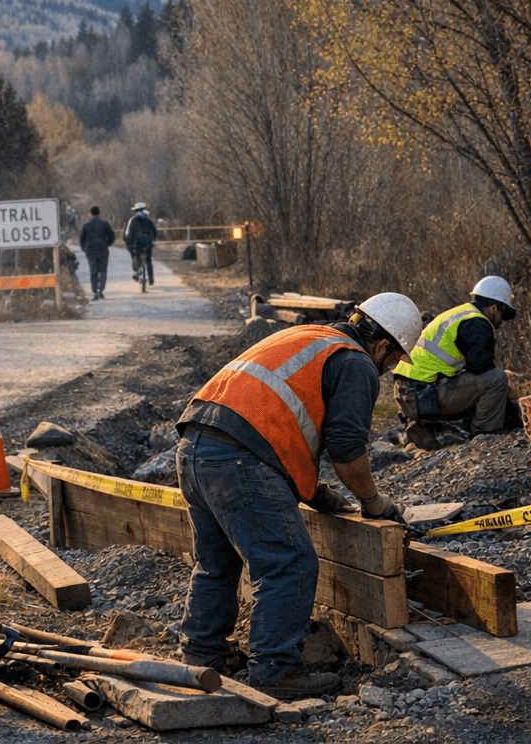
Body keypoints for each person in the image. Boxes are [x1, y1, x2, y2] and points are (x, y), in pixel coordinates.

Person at [175, 292, 423, 698]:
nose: (390, 367)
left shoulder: (309, 336)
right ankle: (276, 670)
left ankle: (203, 656)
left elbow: (271, 419)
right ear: (382, 346)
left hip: (194, 446)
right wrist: (373, 503)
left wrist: (316, 492)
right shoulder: (356, 362)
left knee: (216, 562)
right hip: (239, 459)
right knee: (289, 562)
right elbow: (346, 449)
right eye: (394, 360)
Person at [392, 276, 521, 450]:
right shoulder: (478, 323)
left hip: (405, 393)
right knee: (497, 378)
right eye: (502, 315)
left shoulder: (458, 314)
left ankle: (421, 429)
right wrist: (513, 411)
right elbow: (483, 372)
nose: (500, 321)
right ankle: (484, 434)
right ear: (494, 308)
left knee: (487, 382)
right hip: (421, 394)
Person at [78, 205, 115, 299]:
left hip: (90, 251)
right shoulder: (105, 223)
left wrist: (84, 249)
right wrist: (107, 244)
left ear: (90, 213)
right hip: (102, 249)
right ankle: (101, 290)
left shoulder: (86, 225)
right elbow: (112, 236)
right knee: (102, 270)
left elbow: (82, 239)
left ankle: (94, 291)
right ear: (99, 213)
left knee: (93, 271)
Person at [124, 202, 157, 286]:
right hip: (148, 243)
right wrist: (152, 240)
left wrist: (129, 244)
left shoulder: (133, 220)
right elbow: (154, 232)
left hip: (137, 243)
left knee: (136, 257)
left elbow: (129, 233)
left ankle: (138, 272)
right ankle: (151, 279)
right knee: (148, 261)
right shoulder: (148, 220)